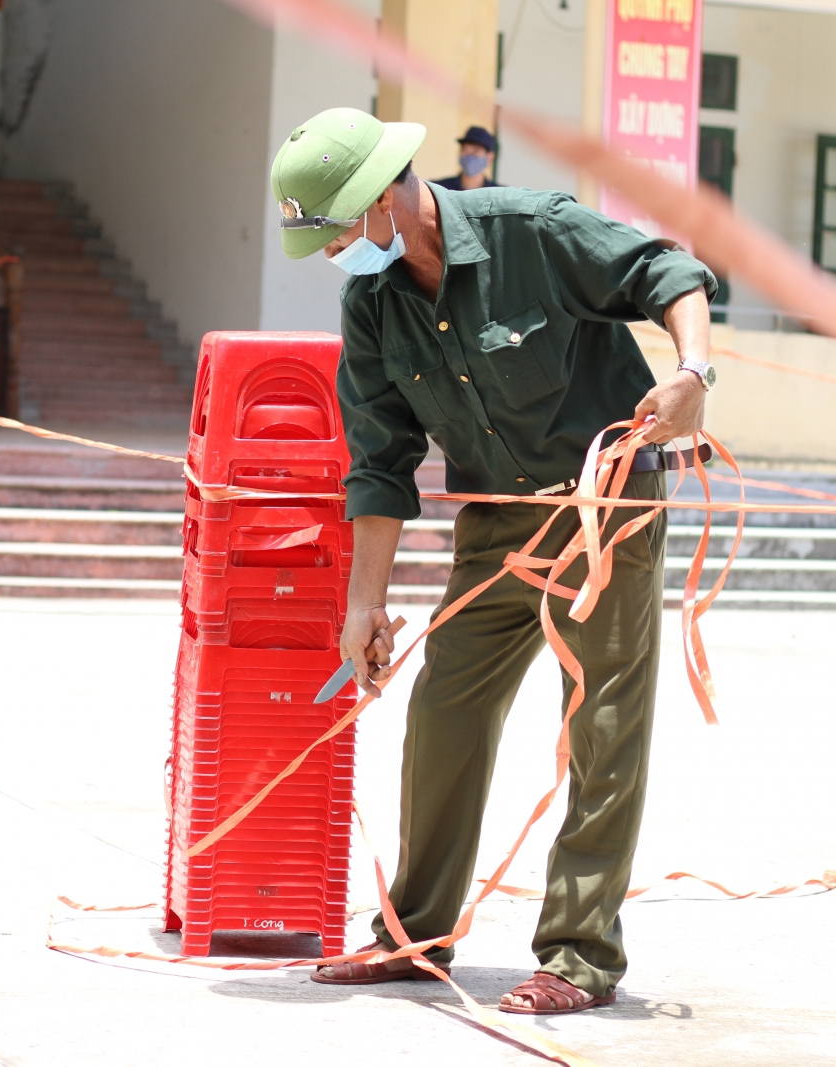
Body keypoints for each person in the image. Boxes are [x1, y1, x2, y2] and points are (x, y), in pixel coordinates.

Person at [270, 108, 718, 1016]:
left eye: (337, 233)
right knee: (443, 707)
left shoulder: (533, 233)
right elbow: (380, 464)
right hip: (500, 525)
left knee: (601, 722)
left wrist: (694, 375)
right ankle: (413, 931)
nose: (332, 257)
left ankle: (580, 953)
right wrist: (364, 607)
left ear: (390, 196)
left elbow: (668, 271)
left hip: (608, 511)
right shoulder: (373, 300)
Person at [433, 125, 499, 191]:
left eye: (476, 150)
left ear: (490, 157)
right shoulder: (440, 189)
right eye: (465, 149)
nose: (469, 156)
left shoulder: (498, 195)